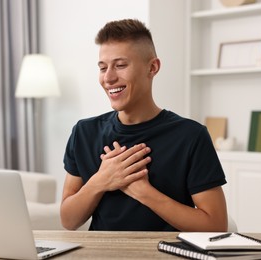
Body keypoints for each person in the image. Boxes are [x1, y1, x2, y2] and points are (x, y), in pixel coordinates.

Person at [60, 19, 228, 232]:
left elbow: (216, 226)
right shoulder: (84, 133)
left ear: (152, 67)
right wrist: (101, 180)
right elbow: (68, 220)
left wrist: (143, 192)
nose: (109, 77)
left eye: (120, 65)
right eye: (103, 68)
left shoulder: (191, 136)